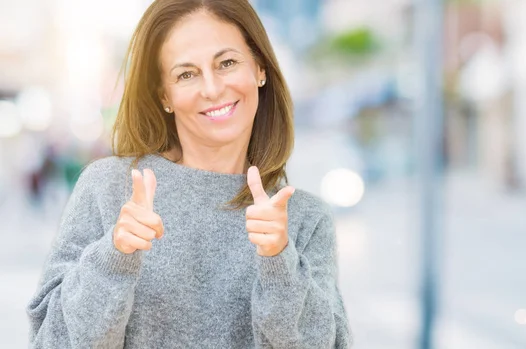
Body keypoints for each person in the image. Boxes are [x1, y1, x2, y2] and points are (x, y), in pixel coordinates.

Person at [25, 0, 353, 348]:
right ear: (164, 95)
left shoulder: (303, 219)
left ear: (260, 68)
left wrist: (279, 262)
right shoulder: (108, 188)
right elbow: (51, 341)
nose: (211, 89)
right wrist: (114, 256)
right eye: (186, 74)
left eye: (226, 63)